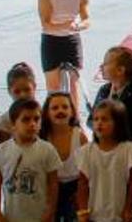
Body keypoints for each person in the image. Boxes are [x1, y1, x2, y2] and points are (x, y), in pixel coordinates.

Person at [0, 98, 60, 222]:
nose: (32, 123)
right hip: (11, 217)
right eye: (26, 119)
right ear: (13, 124)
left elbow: (53, 185)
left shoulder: (47, 150)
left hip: (40, 217)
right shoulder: (1, 151)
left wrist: (49, 212)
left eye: (36, 119)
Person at [39, 0, 91, 106]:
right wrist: (65, 25)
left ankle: (76, 120)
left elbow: (87, 19)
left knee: (75, 83)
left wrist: (78, 26)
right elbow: (45, 24)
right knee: (53, 87)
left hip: (72, 39)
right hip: (51, 40)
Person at [77, 99, 132, 222]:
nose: (99, 123)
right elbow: (82, 184)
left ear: (118, 123)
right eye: (96, 119)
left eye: (105, 119)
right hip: (94, 214)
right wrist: (83, 210)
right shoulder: (86, 152)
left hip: (119, 214)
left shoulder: (129, 150)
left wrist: (128, 208)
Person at [41, 92, 86, 222]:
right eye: (55, 108)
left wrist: (82, 193)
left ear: (72, 111)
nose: (60, 111)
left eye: (65, 107)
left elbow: (88, 168)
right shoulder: (42, 138)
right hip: (48, 189)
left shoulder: (80, 136)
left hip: (75, 190)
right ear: (47, 113)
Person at [91, 47, 132, 142]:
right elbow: (91, 120)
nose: (101, 66)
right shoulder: (104, 90)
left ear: (120, 70)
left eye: (106, 63)